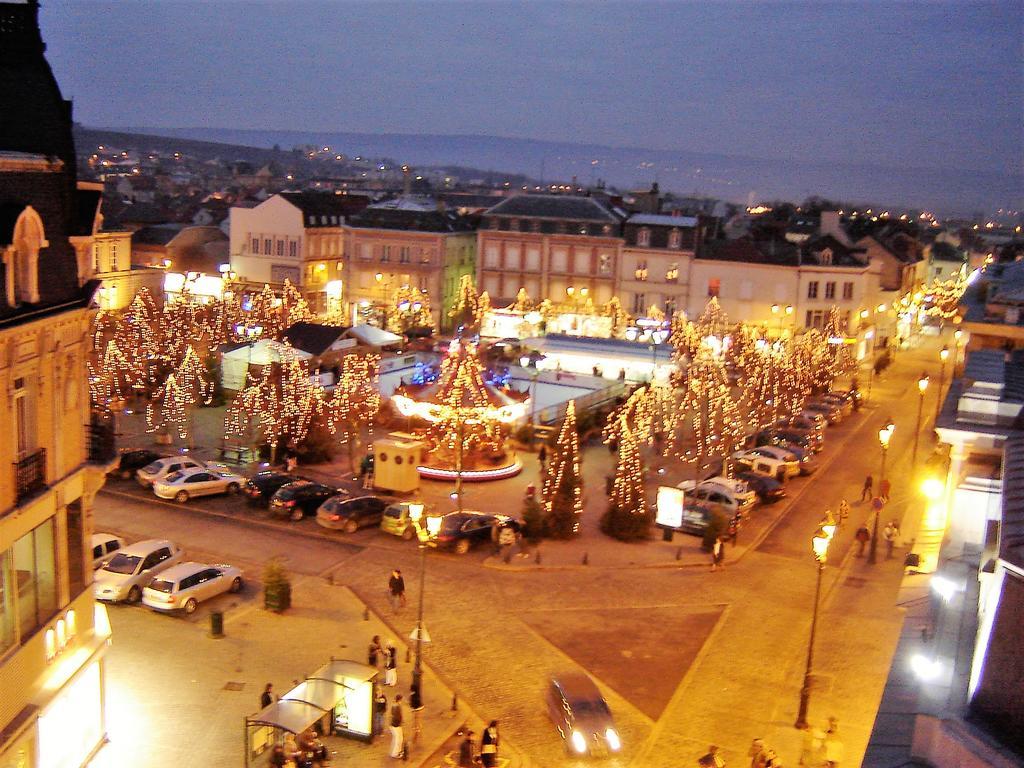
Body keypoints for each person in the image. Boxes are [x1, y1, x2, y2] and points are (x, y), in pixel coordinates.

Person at [389, 694, 405, 759]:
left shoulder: (396, 705)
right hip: (395, 725)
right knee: (397, 739)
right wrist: (399, 722)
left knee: (399, 738)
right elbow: (396, 717)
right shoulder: (396, 706)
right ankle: (394, 754)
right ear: (399, 700)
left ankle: (398, 751)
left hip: (396, 725)